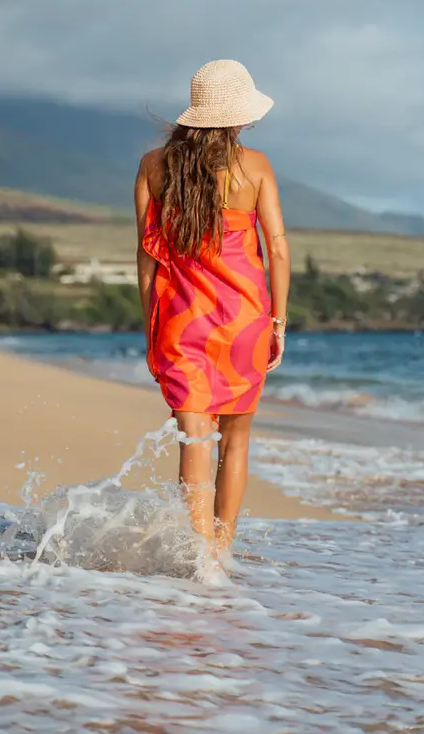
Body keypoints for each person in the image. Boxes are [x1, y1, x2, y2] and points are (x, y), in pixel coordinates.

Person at [135, 59, 290, 573]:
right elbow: (280, 250)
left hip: (183, 321)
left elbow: (146, 254)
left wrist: (150, 323)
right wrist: (278, 323)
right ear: (239, 118)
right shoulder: (257, 167)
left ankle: (197, 558)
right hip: (246, 319)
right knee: (236, 442)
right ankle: (219, 555)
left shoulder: (154, 166)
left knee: (194, 441)